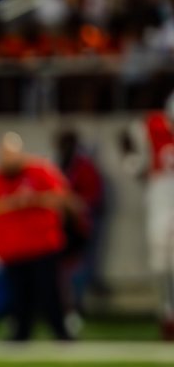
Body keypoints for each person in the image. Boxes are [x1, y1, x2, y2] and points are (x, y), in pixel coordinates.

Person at [0, 133, 73, 343]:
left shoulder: (39, 171)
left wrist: (32, 199)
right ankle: (21, 333)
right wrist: (9, 203)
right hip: (11, 248)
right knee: (18, 296)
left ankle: (61, 333)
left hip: (42, 245)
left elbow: (61, 197)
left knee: (50, 293)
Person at [120, 92, 174, 339]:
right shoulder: (150, 127)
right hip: (161, 193)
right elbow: (132, 155)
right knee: (161, 257)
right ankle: (167, 312)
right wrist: (133, 163)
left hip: (162, 191)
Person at [55, 129, 106, 333]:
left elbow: (93, 197)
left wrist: (74, 205)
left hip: (79, 225)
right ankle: (66, 308)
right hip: (61, 226)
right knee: (61, 271)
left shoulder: (84, 167)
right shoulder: (59, 164)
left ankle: (76, 307)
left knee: (77, 269)